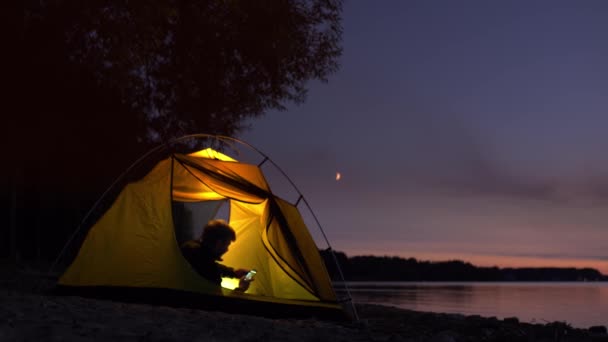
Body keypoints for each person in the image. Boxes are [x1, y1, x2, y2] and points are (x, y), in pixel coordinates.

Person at [180, 219, 252, 292]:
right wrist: (241, 288)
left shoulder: (191, 249)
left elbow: (211, 265)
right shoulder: (209, 270)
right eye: (227, 245)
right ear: (219, 243)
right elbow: (219, 300)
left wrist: (233, 272)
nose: (227, 250)